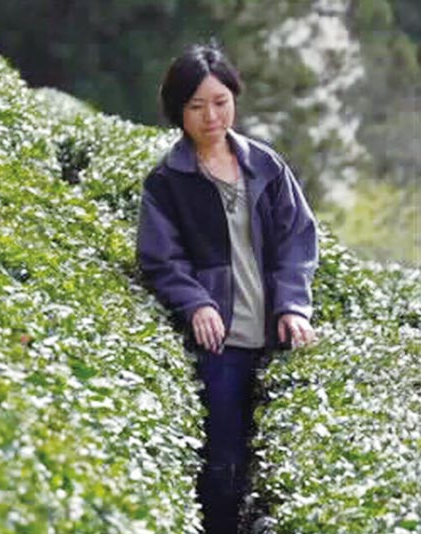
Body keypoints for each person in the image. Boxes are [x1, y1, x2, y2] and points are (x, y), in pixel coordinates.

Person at [136, 44, 318, 534]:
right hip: (221, 345)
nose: (211, 116)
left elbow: (297, 239)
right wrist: (195, 302)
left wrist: (293, 306)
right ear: (178, 112)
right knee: (223, 461)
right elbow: (160, 258)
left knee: (278, 465)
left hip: (275, 335)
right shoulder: (167, 181)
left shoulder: (266, 165)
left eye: (220, 101)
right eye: (196, 106)